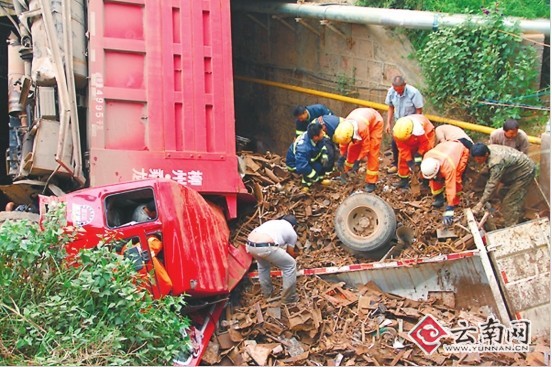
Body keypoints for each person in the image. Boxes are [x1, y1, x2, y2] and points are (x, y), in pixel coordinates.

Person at [470, 143, 535, 227]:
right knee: (502, 193)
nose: (477, 161)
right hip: (516, 168)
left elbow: (492, 184)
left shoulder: (496, 162)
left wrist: (481, 203)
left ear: (486, 154)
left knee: (509, 202)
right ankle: (517, 214)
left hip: (525, 172)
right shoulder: (487, 149)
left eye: (479, 159)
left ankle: (511, 228)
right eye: (475, 159)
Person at [246, 214, 299, 304]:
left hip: (250, 245)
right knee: (290, 265)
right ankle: (288, 299)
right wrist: (297, 255)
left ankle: (267, 294)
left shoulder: (273, 223)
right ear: (293, 226)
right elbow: (290, 253)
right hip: (265, 246)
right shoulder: (292, 232)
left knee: (263, 266)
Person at [333, 108, 384, 193]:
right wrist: (342, 156)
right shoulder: (344, 128)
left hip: (375, 124)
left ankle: (371, 182)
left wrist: (358, 160)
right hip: (361, 118)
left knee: (372, 152)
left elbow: (366, 147)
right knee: (352, 148)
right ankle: (346, 172)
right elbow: (343, 144)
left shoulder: (362, 129)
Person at [420, 141, 470, 225]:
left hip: (460, 151)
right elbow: (432, 177)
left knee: (456, 179)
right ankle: (439, 198)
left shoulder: (449, 167)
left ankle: (455, 202)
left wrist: (449, 209)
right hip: (445, 148)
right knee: (435, 179)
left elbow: (451, 187)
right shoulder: (427, 159)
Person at [384, 75, 424, 174]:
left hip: (411, 123)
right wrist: (388, 123)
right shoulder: (391, 92)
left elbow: (419, 110)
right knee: (395, 143)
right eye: (396, 90)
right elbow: (391, 107)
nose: (398, 92)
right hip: (399, 124)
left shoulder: (414, 93)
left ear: (404, 85)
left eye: (400, 91)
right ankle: (396, 164)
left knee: (410, 145)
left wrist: (414, 126)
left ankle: (413, 166)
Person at [286, 122, 332, 192]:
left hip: (309, 157)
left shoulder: (317, 138)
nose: (323, 133)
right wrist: (315, 177)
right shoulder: (303, 148)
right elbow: (302, 166)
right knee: (313, 167)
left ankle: (320, 179)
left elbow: (322, 147)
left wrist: (324, 156)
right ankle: (306, 184)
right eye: (321, 132)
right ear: (315, 137)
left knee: (322, 163)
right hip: (295, 164)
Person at [392, 114, 435, 188]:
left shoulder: (419, 129)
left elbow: (425, 143)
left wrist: (419, 154)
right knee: (403, 157)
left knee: (426, 158)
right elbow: (402, 148)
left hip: (427, 134)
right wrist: (409, 161)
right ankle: (404, 180)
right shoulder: (397, 132)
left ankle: (425, 181)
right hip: (410, 138)